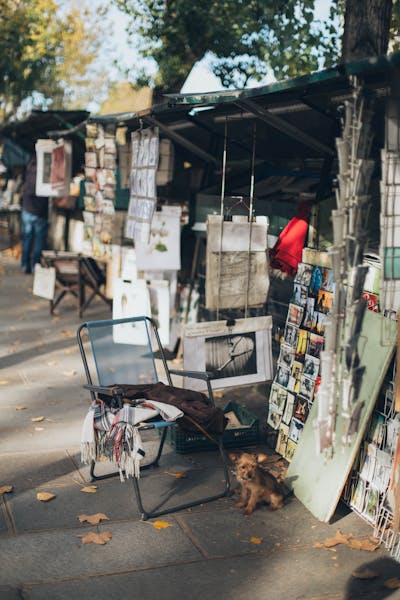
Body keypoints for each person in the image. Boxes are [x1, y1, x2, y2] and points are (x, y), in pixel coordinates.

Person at [20, 157, 49, 274]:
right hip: (39, 213)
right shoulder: (44, 178)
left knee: (27, 238)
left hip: (27, 211)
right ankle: (35, 266)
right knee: (38, 241)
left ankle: (24, 265)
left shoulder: (28, 175)